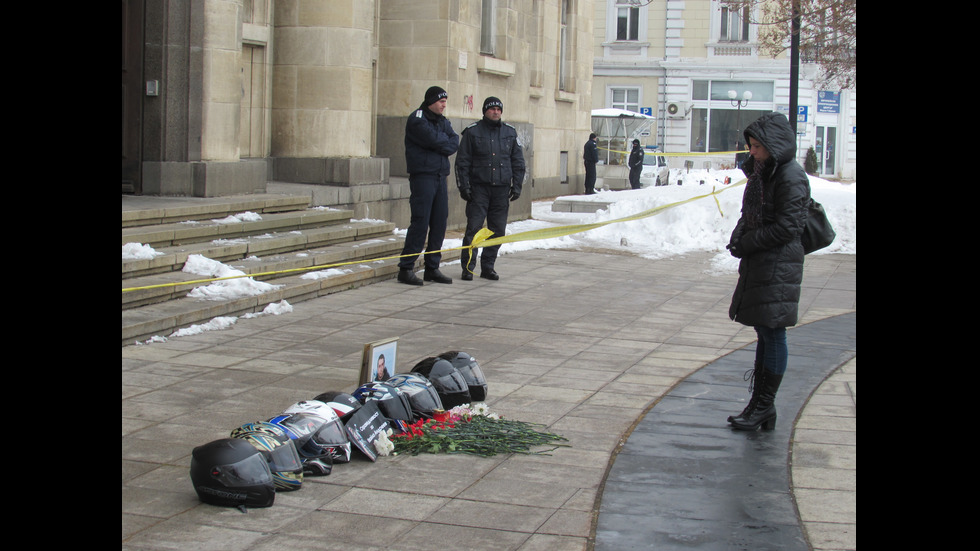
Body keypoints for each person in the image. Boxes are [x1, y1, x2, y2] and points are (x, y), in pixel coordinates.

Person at [725, 112, 810, 431]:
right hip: (763, 261)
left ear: (774, 146)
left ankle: (763, 405)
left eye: (758, 146)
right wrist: (739, 237)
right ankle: (760, 405)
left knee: (773, 332)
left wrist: (748, 243)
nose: (752, 152)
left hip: (779, 263)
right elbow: (751, 214)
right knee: (764, 330)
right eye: (750, 146)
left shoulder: (790, 175)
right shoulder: (765, 173)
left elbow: (789, 227)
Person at [455, 96, 526, 281]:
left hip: (501, 191)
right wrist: (464, 186)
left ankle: (488, 266)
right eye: (492, 109)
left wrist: (516, 185)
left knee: (497, 231)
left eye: (498, 109)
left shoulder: (509, 132)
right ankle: (468, 267)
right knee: (474, 230)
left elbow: (518, 162)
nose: (496, 112)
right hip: (479, 189)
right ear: (485, 111)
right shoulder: (472, 132)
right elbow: (462, 162)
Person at [397, 86, 459, 286]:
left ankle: (432, 267)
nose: (444, 105)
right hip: (423, 176)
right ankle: (406, 267)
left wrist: (440, 145)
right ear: (431, 100)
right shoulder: (418, 118)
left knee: (440, 222)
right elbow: (433, 140)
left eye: (445, 101)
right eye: (441, 101)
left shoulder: (443, 121)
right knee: (421, 222)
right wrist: (441, 144)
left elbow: (454, 141)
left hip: (440, 176)